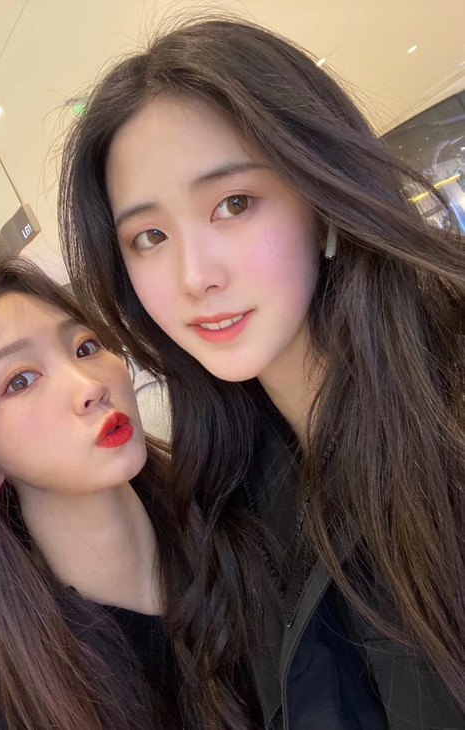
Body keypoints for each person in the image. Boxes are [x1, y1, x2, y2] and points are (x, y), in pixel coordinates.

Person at [59, 17, 465, 730]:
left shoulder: (445, 409)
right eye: (150, 237)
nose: (194, 276)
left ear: (322, 199)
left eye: (234, 204)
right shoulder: (225, 490)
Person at [0, 257, 212, 730]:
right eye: (20, 381)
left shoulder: (236, 518)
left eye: (86, 347)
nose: (91, 387)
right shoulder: (5, 710)